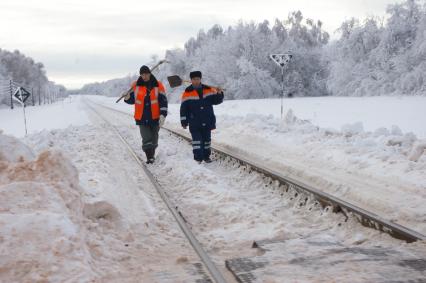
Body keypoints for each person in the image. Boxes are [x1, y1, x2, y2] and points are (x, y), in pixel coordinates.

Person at [124, 65, 168, 164]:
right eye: (142, 75)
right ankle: (150, 157)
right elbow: (132, 100)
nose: (144, 76)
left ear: (149, 73)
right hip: (142, 117)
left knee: (154, 138)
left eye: (146, 74)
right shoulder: (136, 86)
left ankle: (152, 153)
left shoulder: (158, 85)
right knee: (146, 137)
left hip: (155, 117)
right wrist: (127, 98)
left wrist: (163, 114)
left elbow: (163, 101)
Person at [180, 71, 224, 163]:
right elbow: (183, 109)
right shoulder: (187, 92)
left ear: (200, 79)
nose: (196, 81)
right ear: (191, 80)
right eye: (194, 79)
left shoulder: (209, 90)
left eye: (198, 79)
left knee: (207, 141)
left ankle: (206, 156)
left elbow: (216, 101)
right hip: (194, 122)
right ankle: (198, 158)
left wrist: (219, 93)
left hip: (207, 120)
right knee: (197, 141)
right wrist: (184, 121)